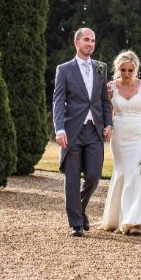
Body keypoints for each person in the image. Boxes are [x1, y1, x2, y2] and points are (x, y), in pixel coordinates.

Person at [51, 27, 112, 237]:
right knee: (72, 179)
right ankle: (76, 223)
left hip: (95, 130)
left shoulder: (101, 68)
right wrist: (59, 129)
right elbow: (58, 102)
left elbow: (104, 101)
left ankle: (79, 209)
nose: (90, 44)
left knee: (94, 176)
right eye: (86, 40)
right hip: (71, 131)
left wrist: (108, 123)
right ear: (77, 43)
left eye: (93, 40)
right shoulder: (64, 69)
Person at [99, 49, 141, 235]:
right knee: (123, 173)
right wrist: (107, 128)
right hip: (120, 136)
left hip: (140, 135)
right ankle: (116, 218)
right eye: (123, 70)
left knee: (135, 173)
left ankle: (133, 222)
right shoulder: (110, 87)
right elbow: (109, 112)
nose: (126, 74)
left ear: (136, 69)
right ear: (118, 69)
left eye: (130, 70)